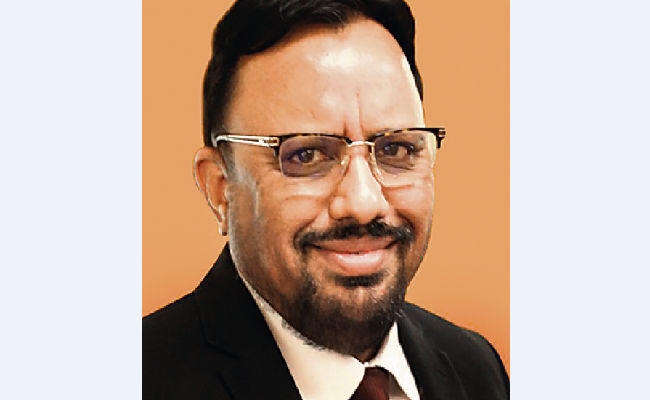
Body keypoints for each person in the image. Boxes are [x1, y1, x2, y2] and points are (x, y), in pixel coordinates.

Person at [143, 0, 509, 399]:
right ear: (220, 188)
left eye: (396, 150)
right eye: (306, 155)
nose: (363, 203)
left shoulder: (475, 369)